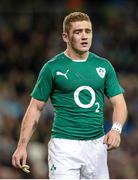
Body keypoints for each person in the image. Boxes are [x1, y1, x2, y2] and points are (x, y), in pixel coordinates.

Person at [12, 12, 127, 179]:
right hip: (64, 146)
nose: (84, 36)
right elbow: (35, 108)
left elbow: (119, 103)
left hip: (96, 145)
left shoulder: (104, 66)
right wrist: (22, 145)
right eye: (78, 32)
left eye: (88, 31)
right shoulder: (52, 68)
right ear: (66, 37)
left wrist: (116, 130)